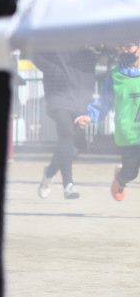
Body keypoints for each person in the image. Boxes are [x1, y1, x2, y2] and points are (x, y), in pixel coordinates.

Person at [77, 42, 140, 201]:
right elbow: (104, 102)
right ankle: (121, 177)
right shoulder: (114, 75)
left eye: (129, 46)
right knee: (131, 173)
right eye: (122, 46)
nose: (125, 50)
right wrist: (90, 116)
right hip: (128, 135)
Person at [33, 49, 97, 199]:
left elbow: (89, 80)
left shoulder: (89, 49)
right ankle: (68, 185)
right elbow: (33, 53)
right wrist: (54, 71)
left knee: (74, 147)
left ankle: (49, 172)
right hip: (58, 97)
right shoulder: (57, 37)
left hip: (78, 102)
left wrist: (85, 107)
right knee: (66, 134)